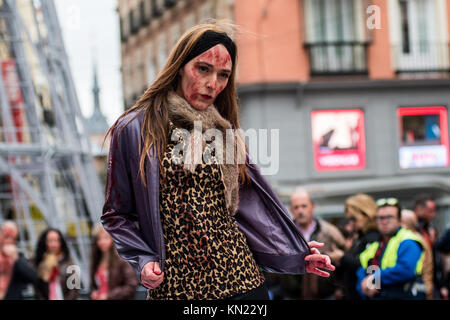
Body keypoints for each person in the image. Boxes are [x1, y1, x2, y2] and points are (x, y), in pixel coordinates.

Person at [101, 21, 334, 300]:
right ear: (179, 66)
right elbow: (116, 215)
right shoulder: (135, 128)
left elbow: (251, 211)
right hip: (178, 291)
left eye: (223, 75)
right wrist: (144, 258)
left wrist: (296, 254)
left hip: (243, 282)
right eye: (203, 69)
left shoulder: (223, 132)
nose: (213, 84)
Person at [273, 189, 346, 299]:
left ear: (312, 207)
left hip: (325, 294)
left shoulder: (330, 232)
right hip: (292, 294)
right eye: (296, 207)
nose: (300, 211)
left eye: (304, 206)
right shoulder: (283, 234)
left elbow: (345, 258)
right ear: (291, 210)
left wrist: (341, 288)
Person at [357, 198, 426, 300]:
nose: (384, 222)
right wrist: (365, 287)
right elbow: (363, 273)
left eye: (389, 217)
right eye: (380, 218)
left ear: (399, 221)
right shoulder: (374, 247)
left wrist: (374, 278)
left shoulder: (408, 240)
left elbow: (405, 270)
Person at [339, 193, 379, 300]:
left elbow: (369, 265)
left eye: (353, 219)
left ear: (366, 215)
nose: (351, 223)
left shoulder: (373, 237)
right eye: (349, 219)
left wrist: (342, 257)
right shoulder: (361, 237)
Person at [90, 223, 138, 300]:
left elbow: (131, 286)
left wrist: (109, 296)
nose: (102, 242)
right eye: (99, 239)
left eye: (106, 238)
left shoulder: (122, 260)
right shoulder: (96, 260)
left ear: (112, 239)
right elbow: (95, 285)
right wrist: (94, 292)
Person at [413, 193, 448, 299]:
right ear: (419, 209)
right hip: (421, 282)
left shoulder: (430, 229)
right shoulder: (412, 232)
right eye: (430, 211)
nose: (433, 215)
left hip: (434, 282)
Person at [33, 228, 79, 300]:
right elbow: (38, 291)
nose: (54, 245)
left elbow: (75, 289)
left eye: (57, 240)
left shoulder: (70, 263)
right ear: (45, 243)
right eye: (50, 241)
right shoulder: (40, 264)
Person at [0, 221, 39, 300]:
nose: (9, 241)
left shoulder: (19, 258)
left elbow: (34, 277)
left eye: (13, 238)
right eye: (6, 236)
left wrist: (17, 259)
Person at [401, 209, 434, 300]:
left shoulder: (414, 240)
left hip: (414, 288)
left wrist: (428, 290)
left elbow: (427, 267)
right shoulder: (402, 239)